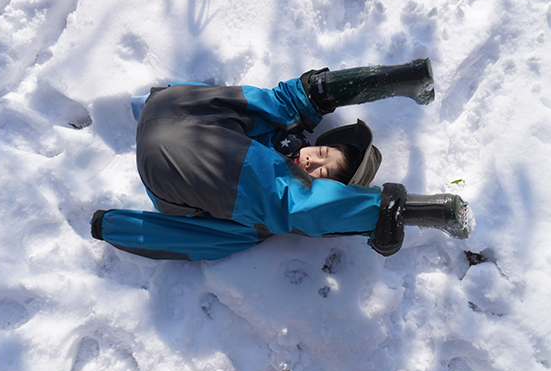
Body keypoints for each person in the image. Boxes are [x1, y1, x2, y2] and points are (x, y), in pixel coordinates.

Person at [91, 58, 474, 261]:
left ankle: (399, 79)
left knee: (282, 107)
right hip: (181, 119)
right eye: (322, 153)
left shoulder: (269, 162)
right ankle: (397, 82)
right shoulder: (277, 152)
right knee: (284, 114)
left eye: (321, 172)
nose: (312, 163)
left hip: (167, 109)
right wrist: (384, 216)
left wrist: (110, 227)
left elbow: (187, 238)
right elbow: (294, 204)